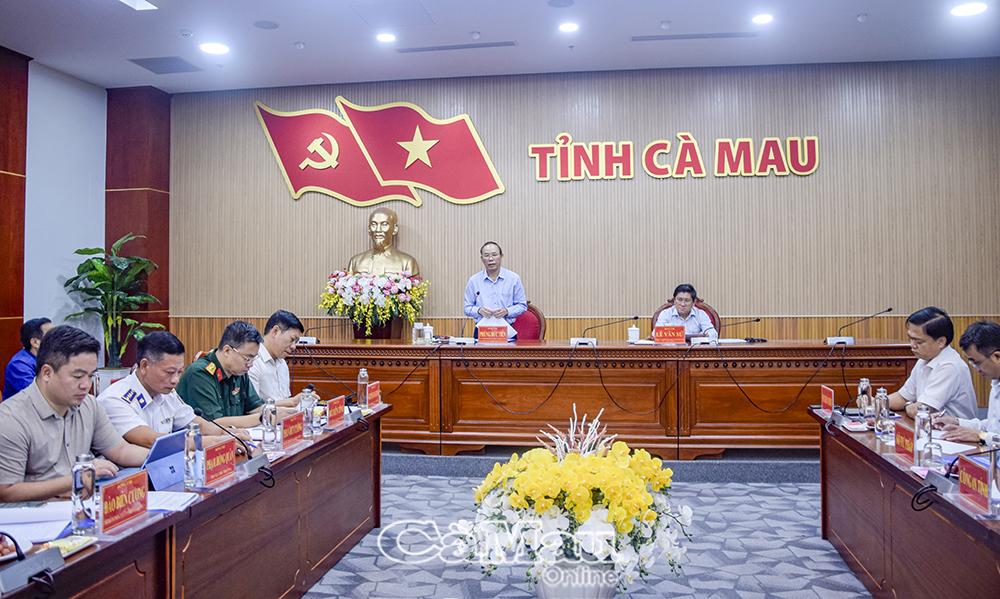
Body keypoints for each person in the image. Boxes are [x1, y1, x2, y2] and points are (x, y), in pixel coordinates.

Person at [0, 326, 148, 501]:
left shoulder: (89, 404)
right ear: (47, 373)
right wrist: (76, 478)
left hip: (83, 506)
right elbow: (6, 491)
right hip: (36, 513)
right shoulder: (11, 419)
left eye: (91, 376)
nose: (86, 385)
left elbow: (121, 450)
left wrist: (164, 454)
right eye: (78, 376)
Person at [98, 331, 245, 449]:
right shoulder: (115, 399)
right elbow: (150, 440)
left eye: (180, 372)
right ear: (144, 366)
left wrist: (227, 432)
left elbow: (196, 423)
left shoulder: (167, 392)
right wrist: (212, 442)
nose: (175, 380)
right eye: (169, 372)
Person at [177, 321, 291, 428]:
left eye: (253, 359)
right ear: (227, 351)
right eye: (247, 358)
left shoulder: (239, 372)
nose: (250, 364)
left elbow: (254, 407)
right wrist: (264, 417)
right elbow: (215, 424)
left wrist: (285, 412)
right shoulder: (200, 374)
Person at [887, 307, 977, 419]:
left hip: (951, 429)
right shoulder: (925, 359)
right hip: (929, 427)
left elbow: (921, 411)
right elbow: (903, 397)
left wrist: (907, 405)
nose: (912, 345)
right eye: (910, 338)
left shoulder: (950, 366)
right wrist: (876, 401)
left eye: (919, 341)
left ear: (941, 342)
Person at [936, 321, 1000, 444]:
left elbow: (990, 434)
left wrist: (981, 436)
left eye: (977, 362)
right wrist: (956, 422)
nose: (976, 369)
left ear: (997, 356)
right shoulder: (996, 380)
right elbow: (994, 425)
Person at [249, 310, 312, 407]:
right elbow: (253, 408)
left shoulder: (282, 363)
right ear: (275, 331)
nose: (294, 347)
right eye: (292, 339)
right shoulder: (252, 362)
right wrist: (292, 402)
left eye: (296, 342)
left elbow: (285, 400)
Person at [463, 241, 527, 325]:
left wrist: (507, 311)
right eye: (486, 255)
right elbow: (467, 308)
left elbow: (522, 306)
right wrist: (479, 310)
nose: (490, 259)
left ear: (501, 256)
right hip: (482, 329)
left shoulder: (513, 279)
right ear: (482, 259)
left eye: (494, 255)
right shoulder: (474, 281)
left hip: (507, 328)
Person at [346, 207, 420, 275]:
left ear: (395, 229)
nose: (378, 230)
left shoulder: (407, 262)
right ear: (369, 229)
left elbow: (415, 285)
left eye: (384, 224)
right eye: (374, 224)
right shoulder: (355, 261)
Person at [3, 317, 53, 400]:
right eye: (50, 335)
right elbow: (37, 395)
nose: (57, 338)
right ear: (35, 342)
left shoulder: (49, 357)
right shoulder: (19, 365)